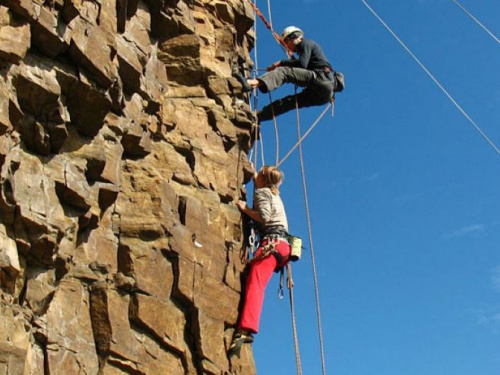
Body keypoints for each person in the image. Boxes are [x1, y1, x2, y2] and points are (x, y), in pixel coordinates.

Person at [228, 165, 291, 357]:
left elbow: (263, 217)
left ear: (263, 179)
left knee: (255, 283)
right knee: (255, 280)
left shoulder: (263, 192)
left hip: (272, 243)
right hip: (282, 246)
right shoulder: (273, 193)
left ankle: (245, 329)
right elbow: (262, 179)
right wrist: (256, 173)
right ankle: (246, 327)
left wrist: (245, 208)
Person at [234, 26, 337, 122]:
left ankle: (251, 83)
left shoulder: (306, 43)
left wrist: (280, 63)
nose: (288, 47)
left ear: (294, 37)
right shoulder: (308, 50)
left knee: (283, 71)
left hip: (320, 78)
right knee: (289, 102)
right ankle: (258, 116)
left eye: (287, 42)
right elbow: (302, 65)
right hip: (323, 94)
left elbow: (302, 64)